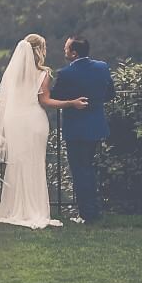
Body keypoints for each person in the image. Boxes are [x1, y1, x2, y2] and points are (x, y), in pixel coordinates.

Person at [0, 34, 89, 229]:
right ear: (39, 50)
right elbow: (45, 101)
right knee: (34, 163)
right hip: (33, 121)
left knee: (17, 163)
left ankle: (17, 207)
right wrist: (71, 103)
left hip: (14, 121)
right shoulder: (43, 73)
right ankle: (34, 209)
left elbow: (6, 100)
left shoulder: (13, 74)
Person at [50, 36, 115, 223]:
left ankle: (88, 215)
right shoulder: (102, 67)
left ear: (74, 53)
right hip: (96, 126)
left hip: (76, 129)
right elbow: (110, 94)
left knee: (80, 171)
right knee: (88, 169)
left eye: (66, 48)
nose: (64, 51)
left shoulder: (66, 74)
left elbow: (55, 98)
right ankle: (92, 211)